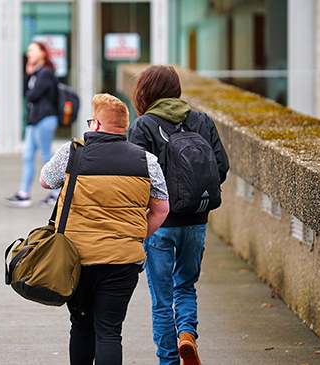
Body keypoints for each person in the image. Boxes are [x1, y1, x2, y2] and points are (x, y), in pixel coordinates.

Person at [40, 93, 170, 365]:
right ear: (123, 127)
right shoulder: (147, 161)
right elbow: (161, 209)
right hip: (123, 260)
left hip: (77, 258)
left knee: (82, 326)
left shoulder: (72, 151)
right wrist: (134, 237)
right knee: (110, 331)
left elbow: (45, 181)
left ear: (96, 124)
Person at [127, 65, 229, 365]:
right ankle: (187, 333)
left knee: (161, 301)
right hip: (196, 220)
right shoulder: (202, 121)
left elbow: (136, 178)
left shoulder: (143, 126)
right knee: (186, 285)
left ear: (145, 91)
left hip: (159, 223)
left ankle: (169, 361)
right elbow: (220, 169)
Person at [4, 41, 60, 208]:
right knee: (28, 155)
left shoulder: (46, 73)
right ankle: (24, 193)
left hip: (44, 119)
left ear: (43, 53)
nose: (29, 54)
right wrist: (28, 73)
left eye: (33, 51)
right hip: (34, 120)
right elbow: (25, 93)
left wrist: (31, 75)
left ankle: (57, 193)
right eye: (28, 51)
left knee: (45, 156)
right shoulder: (36, 73)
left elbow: (33, 95)